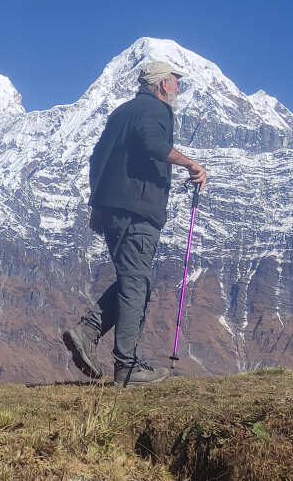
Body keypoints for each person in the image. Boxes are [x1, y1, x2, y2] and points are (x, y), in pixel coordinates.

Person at [61, 59, 208, 386]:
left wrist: (97, 203)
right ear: (161, 85)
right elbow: (151, 144)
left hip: (111, 210)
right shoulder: (157, 111)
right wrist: (190, 164)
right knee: (136, 283)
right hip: (138, 210)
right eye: (174, 81)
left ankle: (87, 332)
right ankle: (126, 366)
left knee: (134, 280)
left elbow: (97, 158)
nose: (178, 88)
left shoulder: (121, 112)